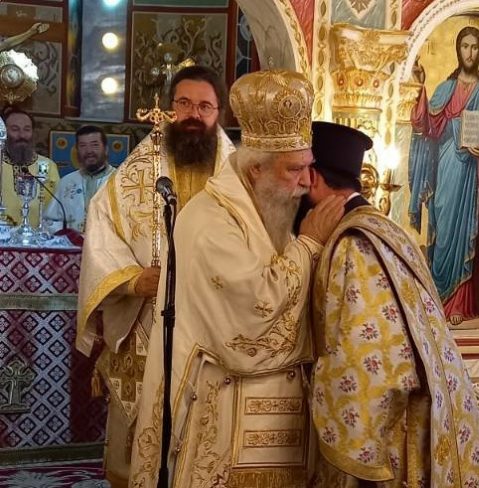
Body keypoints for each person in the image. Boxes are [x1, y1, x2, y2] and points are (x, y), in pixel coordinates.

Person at [129, 70, 345, 488]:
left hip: (280, 418)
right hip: (222, 418)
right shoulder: (210, 222)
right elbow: (254, 311)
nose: (306, 182)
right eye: (294, 169)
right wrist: (309, 245)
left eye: (309, 167)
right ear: (255, 171)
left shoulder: (269, 210)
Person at [76, 65, 236, 488]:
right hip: (146, 319)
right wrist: (131, 281)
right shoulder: (138, 168)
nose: (193, 114)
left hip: (213, 324)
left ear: (219, 112)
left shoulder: (238, 176)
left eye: (204, 106)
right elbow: (102, 223)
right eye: (184, 103)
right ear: (168, 108)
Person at [307, 121, 479, 487]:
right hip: (426, 409)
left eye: (299, 175)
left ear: (313, 178)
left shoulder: (355, 243)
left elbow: (363, 359)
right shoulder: (387, 228)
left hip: (393, 436)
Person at [408, 26, 479, 326]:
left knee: (465, 234)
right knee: (442, 227)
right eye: (465, 46)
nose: (470, 53)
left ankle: (460, 304)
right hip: (446, 165)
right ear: (457, 49)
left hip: (470, 175)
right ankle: (437, 297)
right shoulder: (445, 89)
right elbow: (425, 127)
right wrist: (420, 89)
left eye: (475, 47)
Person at [44, 125, 115, 233]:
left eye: (95, 145)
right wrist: (69, 236)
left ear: (106, 149)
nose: (89, 151)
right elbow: (50, 221)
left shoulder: (120, 181)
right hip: (72, 242)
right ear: (77, 151)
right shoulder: (67, 182)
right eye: (83, 146)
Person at [1, 106, 59, 227]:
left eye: (27, 129)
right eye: (15, 129)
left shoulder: (48, 166)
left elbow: (56, 210)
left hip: (37, 236)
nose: (22, 135)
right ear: (4, 132)